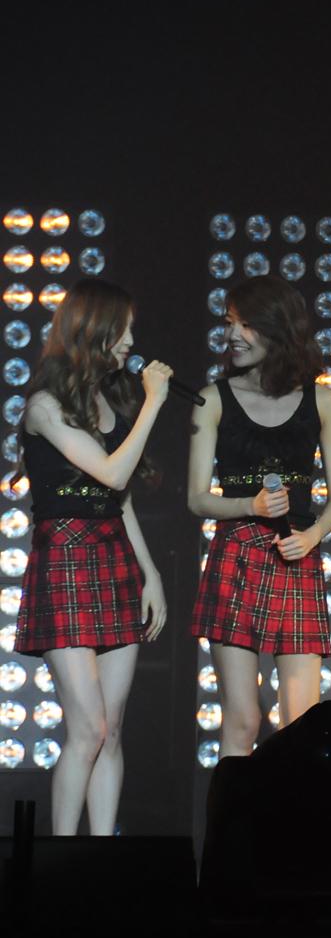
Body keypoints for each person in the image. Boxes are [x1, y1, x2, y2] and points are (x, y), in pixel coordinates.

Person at [16, 279, 172, 835]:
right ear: (94, 330)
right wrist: (154, 402)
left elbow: (118, 500)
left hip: (114, 560)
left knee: (113, 730)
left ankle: (103, 856)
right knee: (88, 727)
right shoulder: (44, 406)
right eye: (122, 330)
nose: (131, 341)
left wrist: (150, 573)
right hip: (63, 562)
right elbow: (111, 472)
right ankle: (59, 862)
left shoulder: (108, 399)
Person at [188, 275, 331, 757]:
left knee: (301, 724)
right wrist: (249, 506)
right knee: (242, 720)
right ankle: (231, 809)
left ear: (277, 329)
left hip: (297, 557)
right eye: (229, 323)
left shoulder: (322, 400)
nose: (232, 335)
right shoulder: (213, 399)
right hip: (235, 556)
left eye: (246, 325)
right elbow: (197, 499)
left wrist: (313, 536)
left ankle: (294, 810)